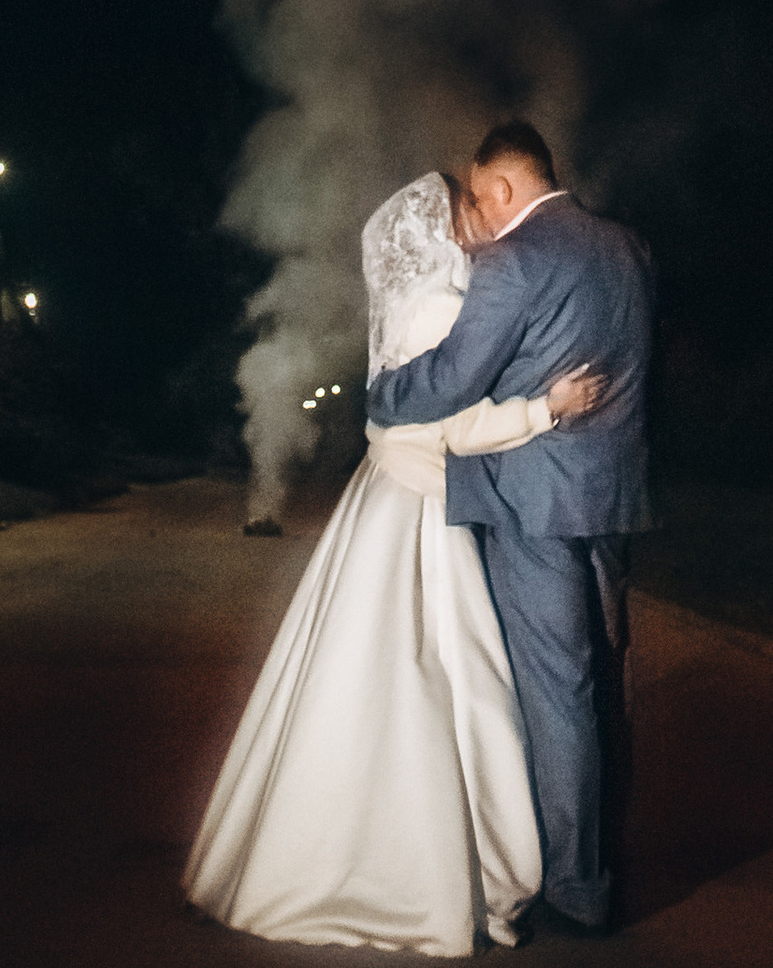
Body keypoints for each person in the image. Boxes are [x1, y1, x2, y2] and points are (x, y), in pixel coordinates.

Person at [185, 164, 606, 956]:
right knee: (445, 680)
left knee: (359, 672)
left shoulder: (403, 302)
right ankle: (418, 876)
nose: (477, 218)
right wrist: (548, 408)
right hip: (422, 511)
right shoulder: (444, 305)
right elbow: (459, 429)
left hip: (380, 496)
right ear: (439, 227)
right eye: (464, 208)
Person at [364, 122, 651, 944]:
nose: (479, 219)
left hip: (533, 505)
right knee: (600, 683)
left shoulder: (513, 261)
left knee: (559, 694)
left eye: (481, 197)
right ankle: (593, 854)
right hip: (610, 499)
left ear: (500, 185)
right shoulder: (629, 249)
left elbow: (452, 380)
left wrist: (382, 394)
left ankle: (578, 886)